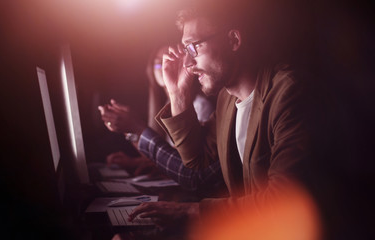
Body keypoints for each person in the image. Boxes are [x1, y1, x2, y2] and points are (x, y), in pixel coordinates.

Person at [127, 0, 315, 234]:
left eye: (194, 47)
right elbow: (197, 163)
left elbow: (282, 201)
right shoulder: (227, 99)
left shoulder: (288, 93)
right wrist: (177, 95)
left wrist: (189, 211)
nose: (187, 63)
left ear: (234, 40)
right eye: (185, 50)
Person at [98, 44, 227, 197]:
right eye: (157, 62)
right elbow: (168, 157)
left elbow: (191, 170)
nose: (162, 66)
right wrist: (132, 134)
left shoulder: (201, 106)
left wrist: (135, 129)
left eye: (169, 60)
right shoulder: (166, 104)